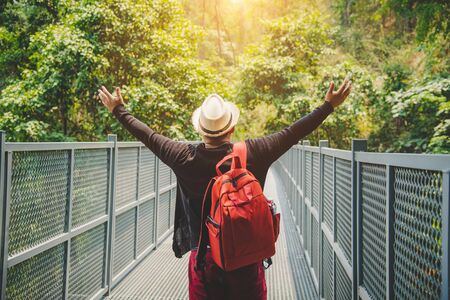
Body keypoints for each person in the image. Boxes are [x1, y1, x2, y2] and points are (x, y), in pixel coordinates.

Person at [98, 79, 351, 299]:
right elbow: (292, 133)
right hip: (246, 259)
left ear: (200, 129)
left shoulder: (182, 157)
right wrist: (328, 106)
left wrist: (118, 109)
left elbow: (149, 136)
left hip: (204, 263)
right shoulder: (254, 153)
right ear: (231, 127)